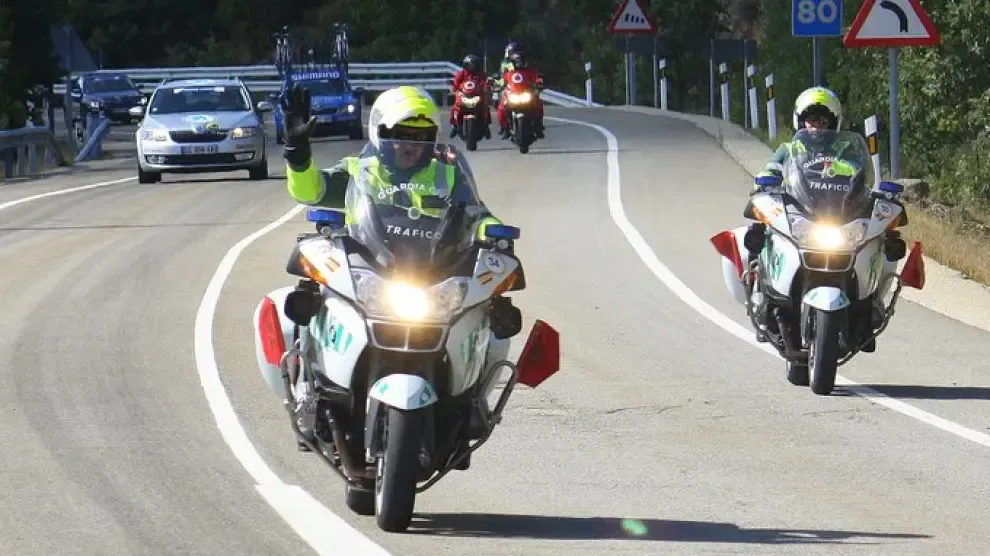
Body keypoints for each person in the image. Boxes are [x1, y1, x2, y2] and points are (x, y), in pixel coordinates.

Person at [280, 83, 522, 450]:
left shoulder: (448, 174)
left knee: (491, 320)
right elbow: (310, 192)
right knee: (302, 303)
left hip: (431, 272)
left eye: (420, 137)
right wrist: (298, 154)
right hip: (369, 267)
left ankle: (474, 402)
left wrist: (494, 232)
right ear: (379, 133)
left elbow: (477, 212)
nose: (409, 145)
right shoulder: (360, 170)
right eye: (399, 135)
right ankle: (306, 394)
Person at [494, 52, 545, 139]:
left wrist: (539, 84)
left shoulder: (530, 71)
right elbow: (501, 82)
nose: (519, 63)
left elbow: (537, 79)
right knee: (501, 108)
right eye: (516, 61)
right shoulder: (508, 73)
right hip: (512, 95)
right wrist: (497, 85)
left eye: (520, 61)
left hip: (527, 94)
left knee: (539, 104)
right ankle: (505, 128)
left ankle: (538, 128)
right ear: (512, 63)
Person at [449, 54, 491, 139]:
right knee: (454, 108)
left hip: (477, 95)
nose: (474, 66)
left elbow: (486, 84)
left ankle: (486, 126)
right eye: (472, 64)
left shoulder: (481, 74)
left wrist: (487, 89)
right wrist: (454, 91)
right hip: (464, 95)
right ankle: (454, 126)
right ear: (466, 65)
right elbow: (455, 85)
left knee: (485, 107)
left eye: (475, 64)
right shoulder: (461, 74)